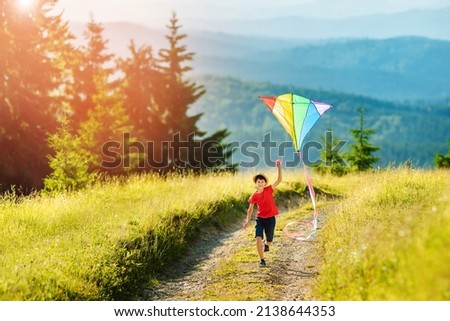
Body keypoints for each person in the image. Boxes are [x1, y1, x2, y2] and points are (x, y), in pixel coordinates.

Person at [243, 159, 282, 267]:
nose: (260, 183)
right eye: (258, 182)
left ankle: (267, 244)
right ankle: (262, 260)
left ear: (265, 183)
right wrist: (247, 221)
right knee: (258, 238)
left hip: (270, 219)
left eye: (262, 181)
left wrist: (279, 167)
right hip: (260, 219)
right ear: (256, 183)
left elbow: (279, 180)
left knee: (269, 240)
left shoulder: (269, 190)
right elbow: (250, 209)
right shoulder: (254, 195)